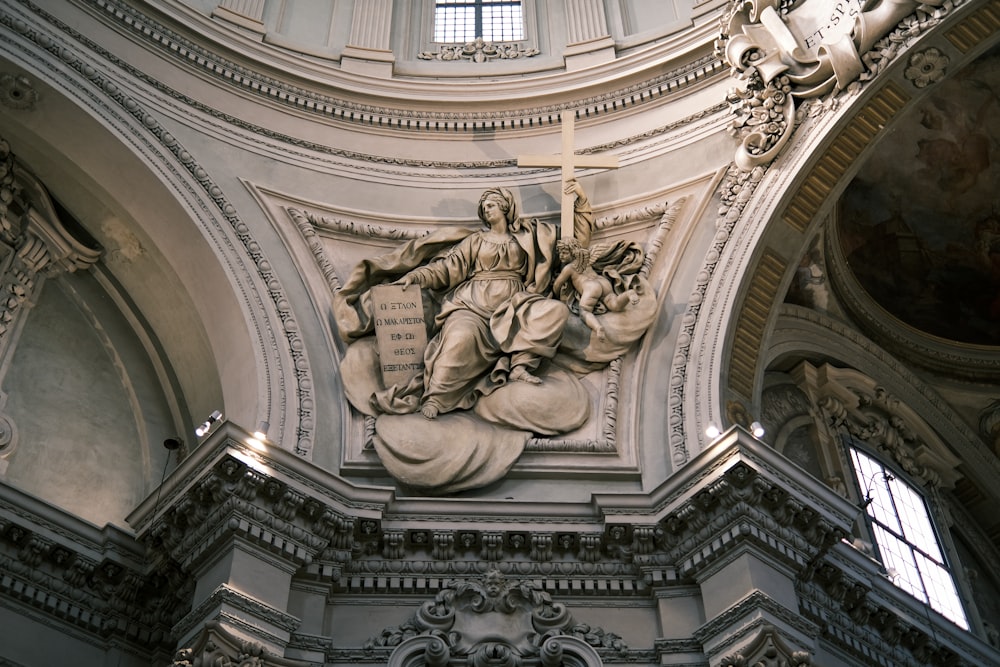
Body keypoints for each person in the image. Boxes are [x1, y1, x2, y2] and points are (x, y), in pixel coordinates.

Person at [389, 186, 582, 419]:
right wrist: (417, 276)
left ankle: (521, 366)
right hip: (472, 304)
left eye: (490, 205)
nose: (485, 209)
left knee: (556, 311)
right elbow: (446, 268)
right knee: (459, 338)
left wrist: (580, 204)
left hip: (515, 304)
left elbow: (574, 240)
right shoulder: (475, 241)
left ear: (505, 207)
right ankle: (436, 397)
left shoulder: (530, 236)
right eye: (484, 207)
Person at [552, 237, 639, 340]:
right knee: (614, 304)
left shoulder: (569, 268)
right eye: (560, 253)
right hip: (603, 282)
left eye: (564, 252)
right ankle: (628, 294)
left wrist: (555, 295)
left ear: (573, 252)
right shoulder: (587, 260)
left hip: (590, 286)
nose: (561, 255)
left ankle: (597, 328)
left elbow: (557, 285)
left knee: (584, 311)